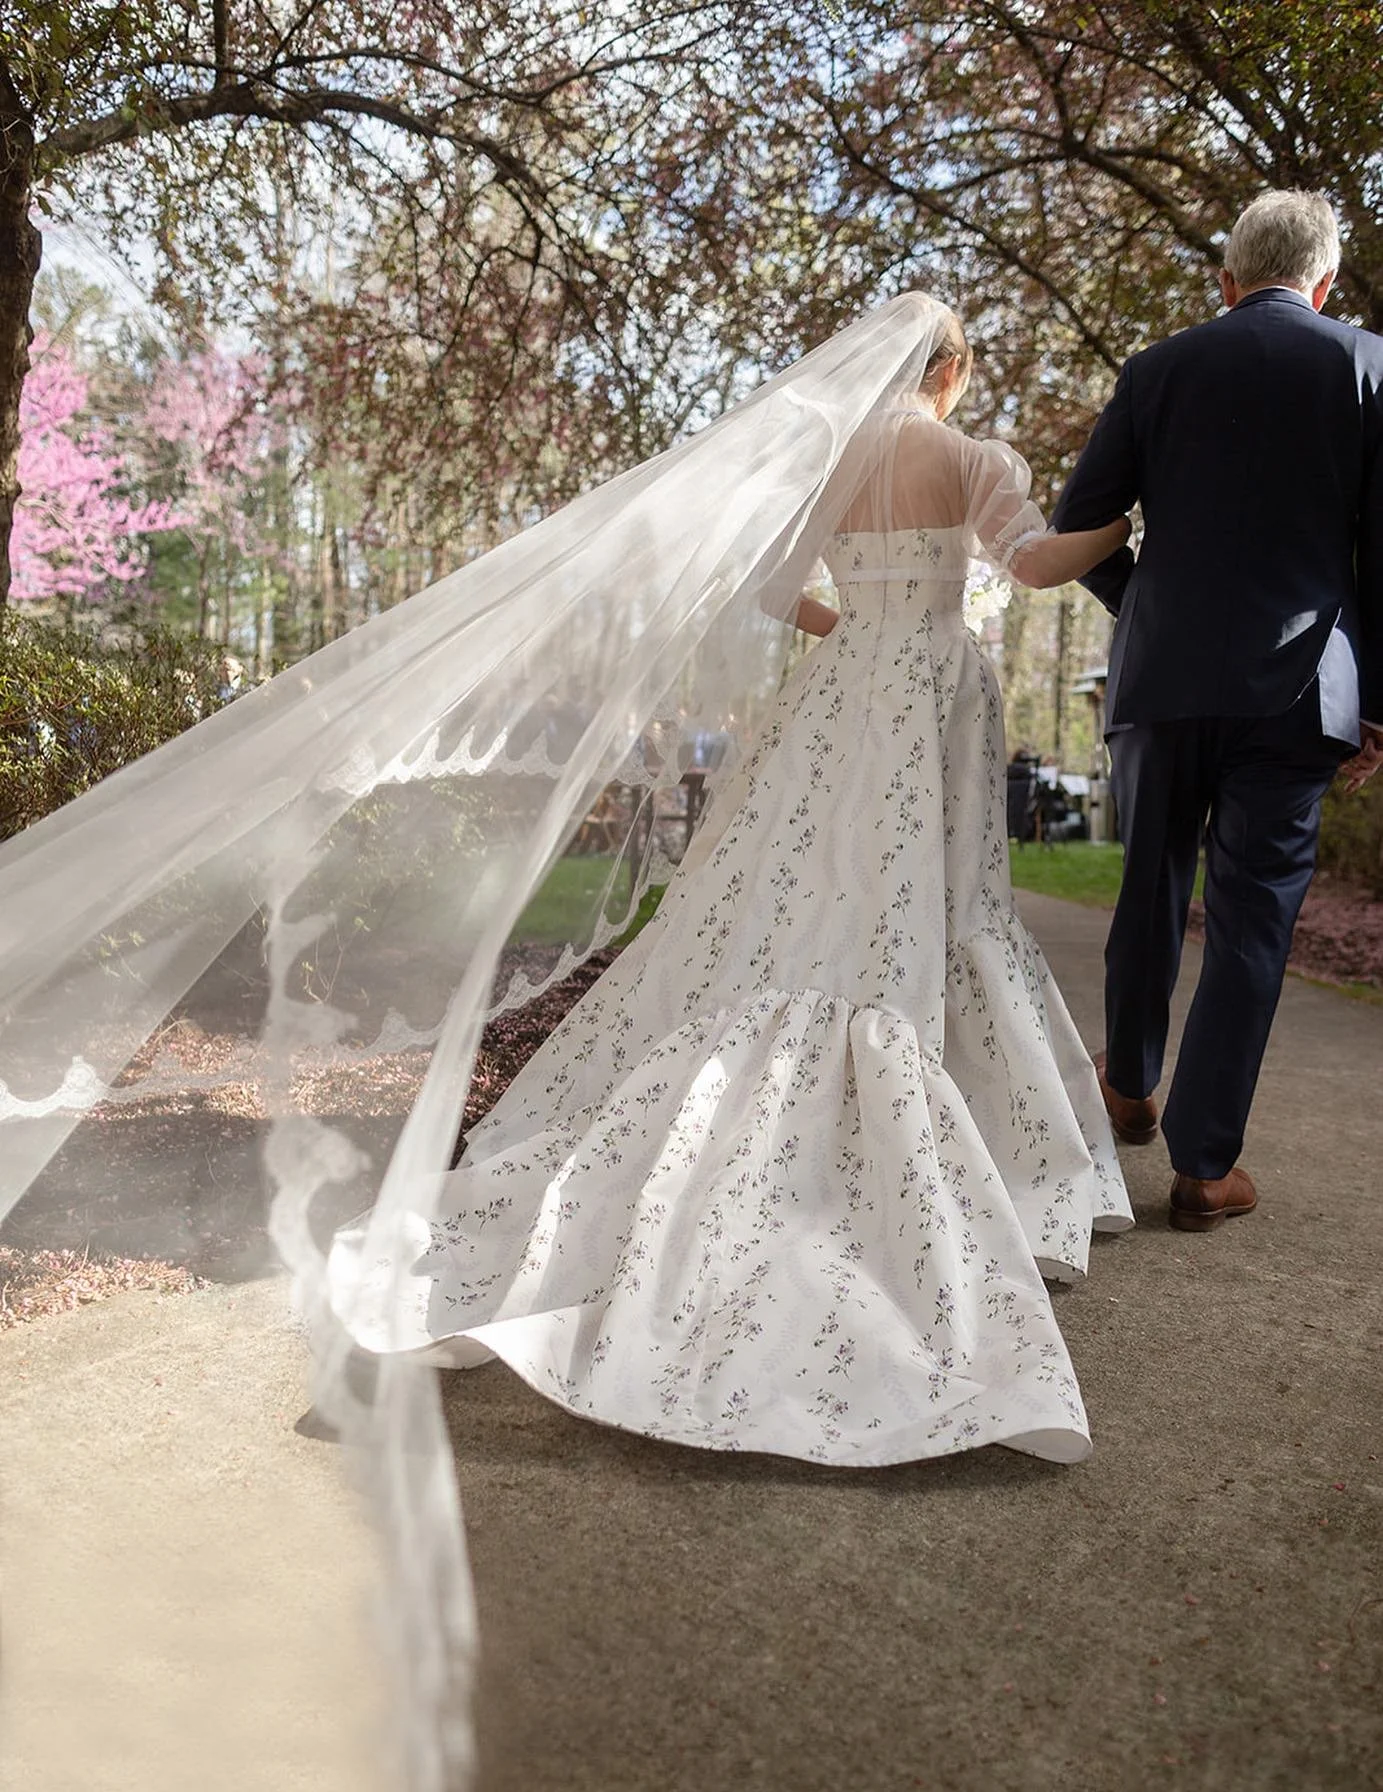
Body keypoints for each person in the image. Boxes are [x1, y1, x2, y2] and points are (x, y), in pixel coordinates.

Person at [329, 306, 1136, 1467]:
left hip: (842, 688)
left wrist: (855, 627)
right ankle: (985, 1146)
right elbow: (1038, 563)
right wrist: (1124, 517)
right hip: (929, 699)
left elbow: (770, 594)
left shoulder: (835, 467)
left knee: (799, 893)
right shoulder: (971, 458)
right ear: (950, 372)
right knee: (943, 907)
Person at [1051, 190, 1383, 1230]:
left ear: (1226, 280)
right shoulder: (1368, 364)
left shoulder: (1157, 369)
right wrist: (1374, 703)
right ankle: (1202, 1166)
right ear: (1323, 284)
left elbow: (1083, 524)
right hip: (1298, 691)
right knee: (1253, 921)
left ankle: (1127, 1085)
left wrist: (1143, 608)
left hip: (1162, 681)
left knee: (1149, 884)